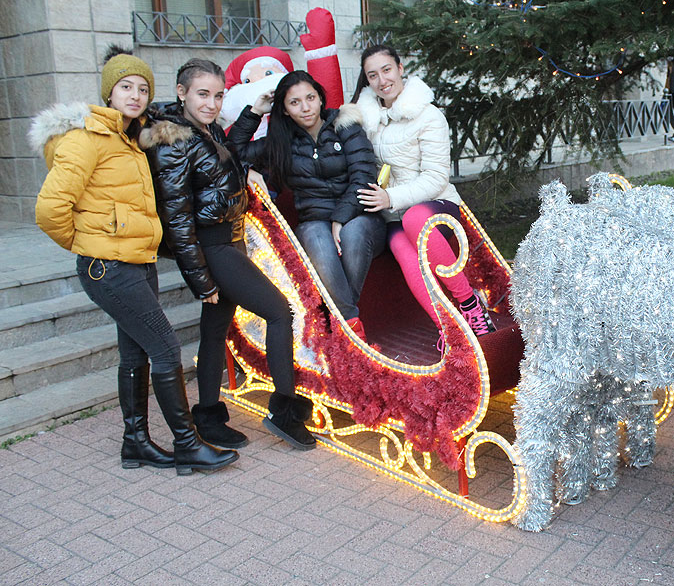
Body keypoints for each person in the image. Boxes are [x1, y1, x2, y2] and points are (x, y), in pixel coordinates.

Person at [33, 47, 238, 475]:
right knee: (165, 348)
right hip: (108, 266)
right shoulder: (86, 139)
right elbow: (50, 210)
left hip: (138, 261)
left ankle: (136, 443)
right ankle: (187, 445)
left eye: (143, 89)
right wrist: (89, 244)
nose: (135, 95)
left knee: (136, 355)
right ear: (109, 92)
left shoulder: (134, 138)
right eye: (125, 87)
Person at [142, 58, 315, 451]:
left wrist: (252, 114)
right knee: (279, 311)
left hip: (228, 240)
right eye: (203, 95)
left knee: (214, 330)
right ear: (182, 92)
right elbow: (177, 218)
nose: (212, 103)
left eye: (218, 96)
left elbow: (227, 155)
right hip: (212, 246)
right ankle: (284, 413)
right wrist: (201, 281)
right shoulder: (173, 141)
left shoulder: (204, 129)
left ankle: (207, 415)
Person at [352, 44, 495, 350]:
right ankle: (447, 325)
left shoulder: (428, 115)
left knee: (415, 219)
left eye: (387, 70)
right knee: (401, 247)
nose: (382, 80)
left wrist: (390, 197)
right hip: (391, 215)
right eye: (373, 75)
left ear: (400, 68)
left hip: (435, 207)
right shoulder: (365, 120)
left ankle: (470, 305)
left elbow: (436, 178)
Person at [228, 71, 385, 341]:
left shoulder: (346, 126)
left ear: (320, 99)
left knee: (353, 232)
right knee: (315, 235)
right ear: (285, 110)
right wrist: (255, 112)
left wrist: (340, 218)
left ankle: (337, 321)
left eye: (310, 98)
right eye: (295, 102)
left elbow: (363, 176)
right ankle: (351, 326)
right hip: (314, 222)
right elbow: (232, 153)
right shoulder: (282, 142)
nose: (305, 107)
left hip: (361, 217)